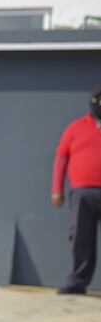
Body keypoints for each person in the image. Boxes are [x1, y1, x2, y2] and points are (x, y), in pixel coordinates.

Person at [51, 87, 101, 295]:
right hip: (82, 193)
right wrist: (57, 189)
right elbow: (61, 158)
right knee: (81, 239)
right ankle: (77, 282)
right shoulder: (76, 127)